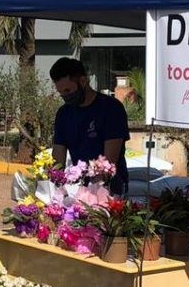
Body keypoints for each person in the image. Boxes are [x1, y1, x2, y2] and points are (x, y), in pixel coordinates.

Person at [50, 56, 130, 194]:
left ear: (83, 81)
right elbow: (58, 161)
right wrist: (54, 184)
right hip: (78, 189)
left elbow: (109, 162)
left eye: (68, 91)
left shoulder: (111, 109)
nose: (65, 96)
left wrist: (95, 188)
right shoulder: (63, 114)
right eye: (61, 93)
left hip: (110, 190)